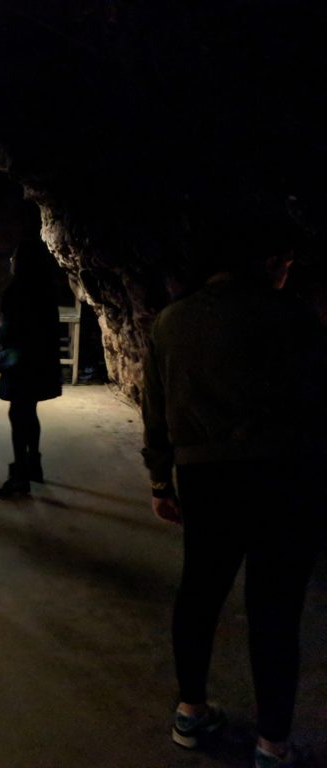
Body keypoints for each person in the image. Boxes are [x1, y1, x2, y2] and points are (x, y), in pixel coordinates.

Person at [141, 210, 324, 768]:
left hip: (206, 476)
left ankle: (190, 712)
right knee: (275, 608)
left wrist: (159, 478)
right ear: (267, 261)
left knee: (199, 592)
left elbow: (157, 409)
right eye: (285, 262)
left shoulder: (171, 323)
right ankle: (272, 743)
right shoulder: (294, 318)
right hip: (283, 477)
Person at [0, 241, 62, 498]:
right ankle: (34, 465)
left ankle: (20, 476)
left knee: (18, 416)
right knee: (29, 413)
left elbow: (10, 329)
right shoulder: (46, 291)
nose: (11, 262)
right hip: (39, 364)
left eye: (14, 258)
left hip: (20, 365)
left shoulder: (15, 292)